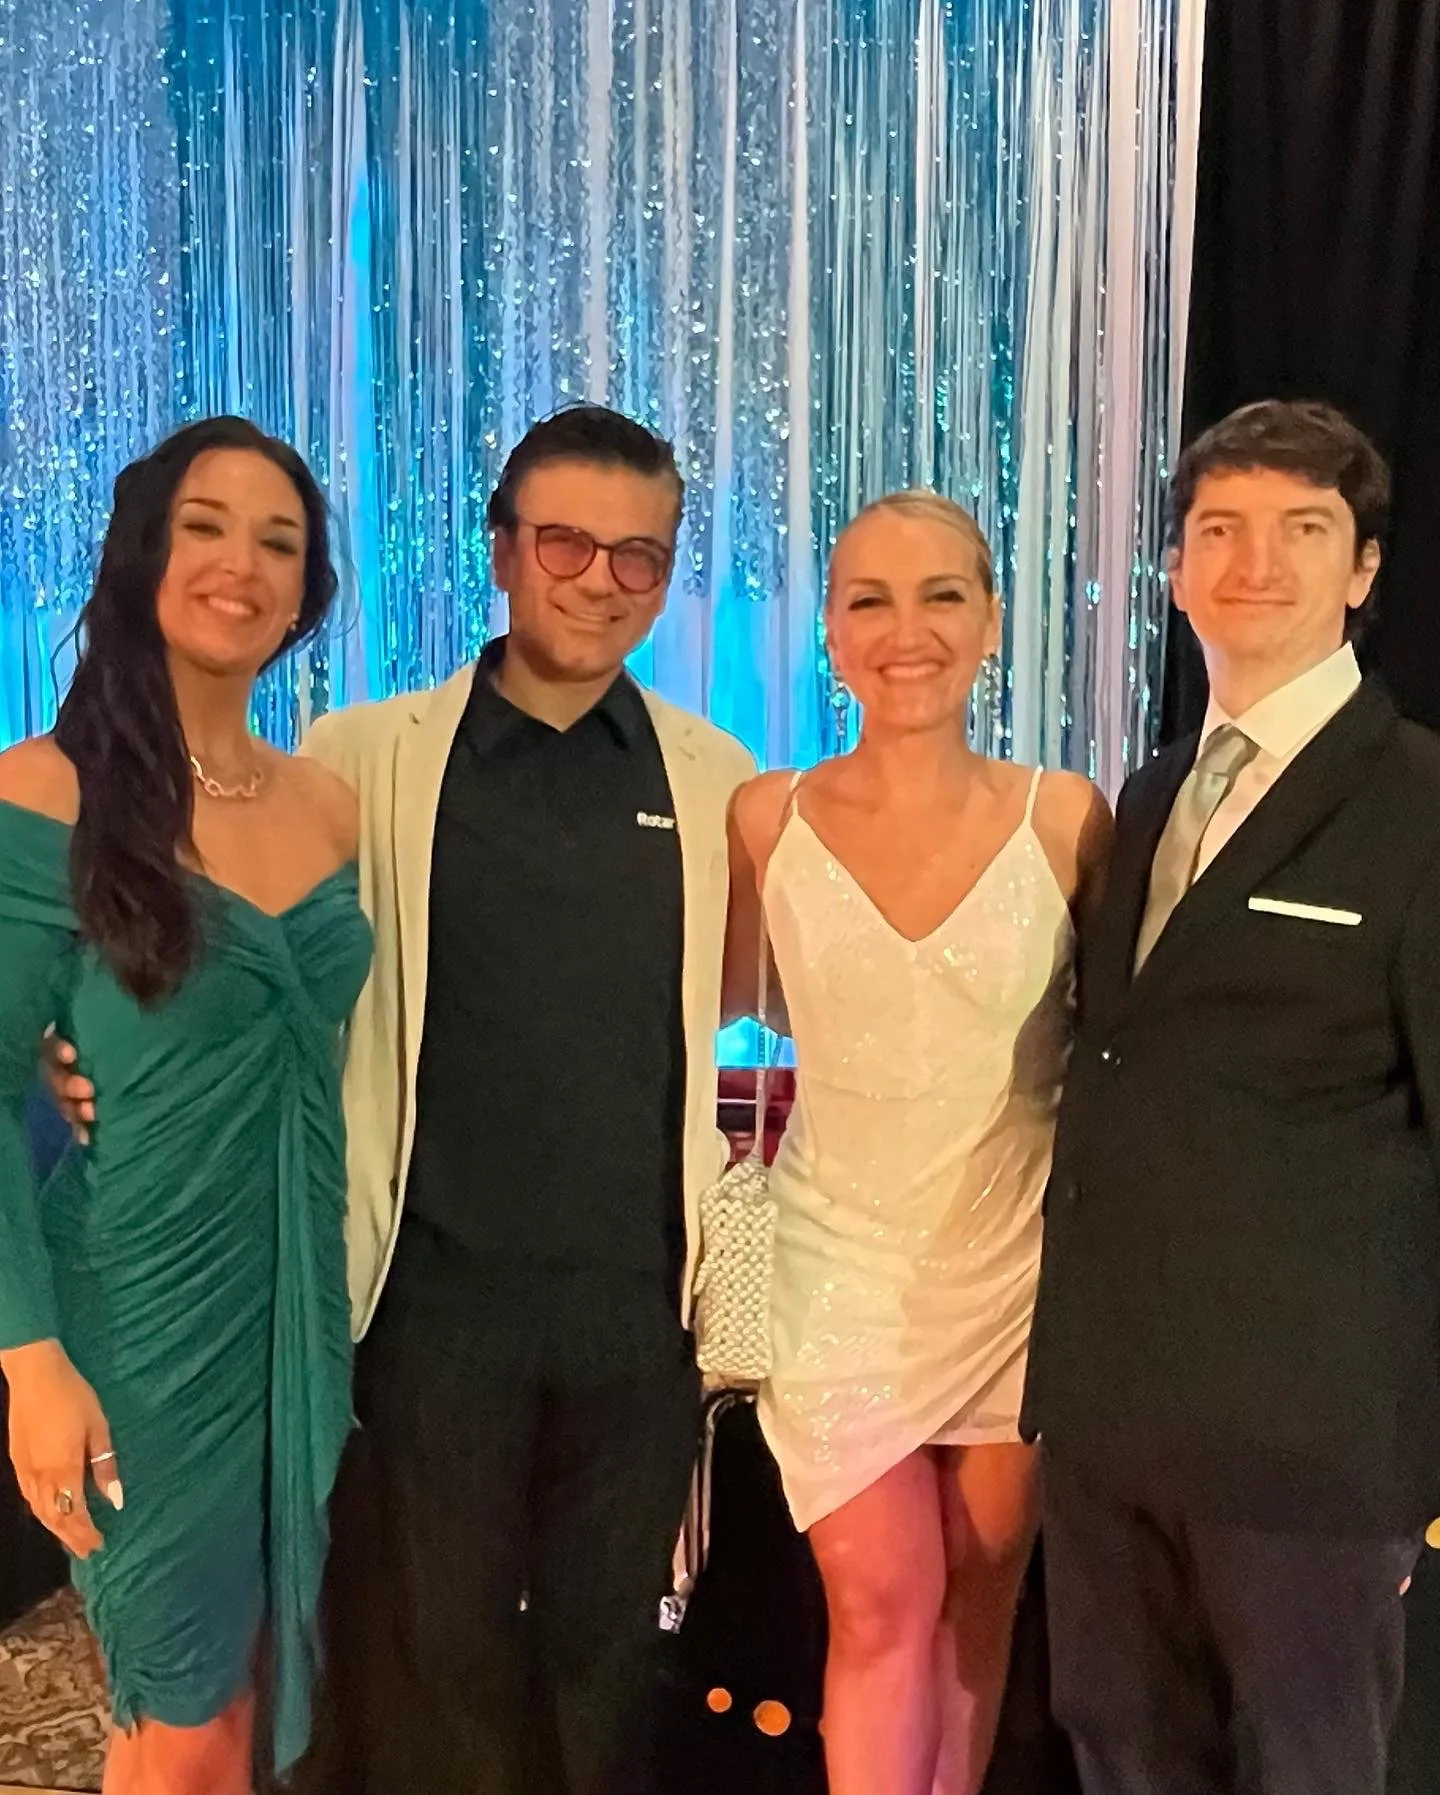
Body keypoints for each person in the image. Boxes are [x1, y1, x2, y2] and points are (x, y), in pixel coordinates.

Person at [44, 405, 754, 1793]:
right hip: (425, 1304)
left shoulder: (715, 776)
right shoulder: (363, 758)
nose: (600, 579)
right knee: (434, 1660)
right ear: (502, 549)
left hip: (637, 1312)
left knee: (607, 1660)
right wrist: (69, 1069)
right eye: (565, 541)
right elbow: (218, 949)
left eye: (640, 555)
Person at [1022, 399, 1440, 1795]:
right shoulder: (1143, 800)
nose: (1255, 561)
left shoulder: (1423, 804)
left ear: (1364, 570)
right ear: (1179, 566)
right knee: (1125, 1756)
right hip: (1107, 1416)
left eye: (1302, 530)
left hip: (1309, 1443)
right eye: (1221, 530)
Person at [0, 416, 371, 1795]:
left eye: (281, 541)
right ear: (142, 550)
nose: (242, 564)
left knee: (257, 1681)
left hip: (293, 1302)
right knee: (185, 1705)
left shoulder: (327, 805)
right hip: (137, 1313)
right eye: (205, 525)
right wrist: (31, 1363)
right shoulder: (43, 795)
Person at [726, 490, 1111, 1795]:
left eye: (942, 593)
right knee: (884, 1601)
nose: (907, 629)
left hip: (1014, 1278)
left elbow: (1130, 1048)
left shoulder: (1067, 816)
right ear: (829, 627)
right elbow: (725, 1023)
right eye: (870, 598)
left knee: (977, 1613)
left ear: (991, 619)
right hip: (836, 1270)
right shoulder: (764, 820)